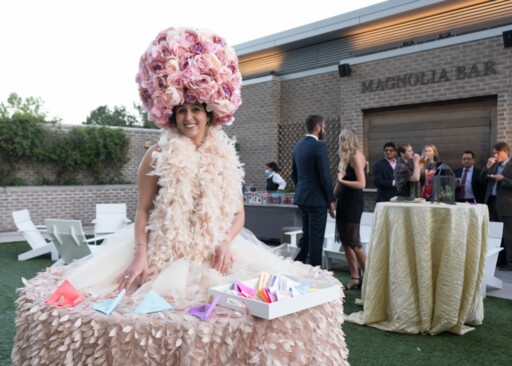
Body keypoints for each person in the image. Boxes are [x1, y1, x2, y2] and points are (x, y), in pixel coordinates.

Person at [12, 27, 349, 365]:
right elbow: (143, 211)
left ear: (210, 112)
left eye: (195, 110)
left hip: (214, 253)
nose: (188, 118)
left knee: (242, 321)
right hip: (164, 254)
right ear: (170, 113)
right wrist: (141, 254)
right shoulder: (157, 154)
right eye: (181, 111)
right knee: (153, 325)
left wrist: (227, 241)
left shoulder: (226, 156)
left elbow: (238, 215)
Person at [292, 114, 335, 267]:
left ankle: (297, 264)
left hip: (303, 198)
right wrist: (330, 200)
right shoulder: (319, 146)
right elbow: (325, 175)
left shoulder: (297, 146)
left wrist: (302, 190)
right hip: (317, 200)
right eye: (324, 127)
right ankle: (316, 272)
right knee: (316, 238)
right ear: (318, 128)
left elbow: (294, 174)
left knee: (308, 235)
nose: (324, 129)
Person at [479, 142, 512, 271]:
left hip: (508, 205)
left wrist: (503, 179)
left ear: (506, 152)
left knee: (510, 235)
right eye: (493, 152)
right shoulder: (493, 165)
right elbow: (481, 180)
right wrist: (487, 167)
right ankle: (498, 260)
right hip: (492, 203)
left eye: (497, 153)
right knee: (495, 234)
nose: (494, 155)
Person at [334, 129, 367, 290]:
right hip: (344, 202)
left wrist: (341, 180)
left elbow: (362, 184)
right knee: (346, 242)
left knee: (354, 242)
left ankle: (370, 277)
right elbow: (340, 182)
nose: (339, 141)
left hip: (353, 203)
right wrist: (332, 200)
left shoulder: (356, 157)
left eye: (342, 139)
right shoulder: (345, 158)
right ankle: (355, 277)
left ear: (349, 140)